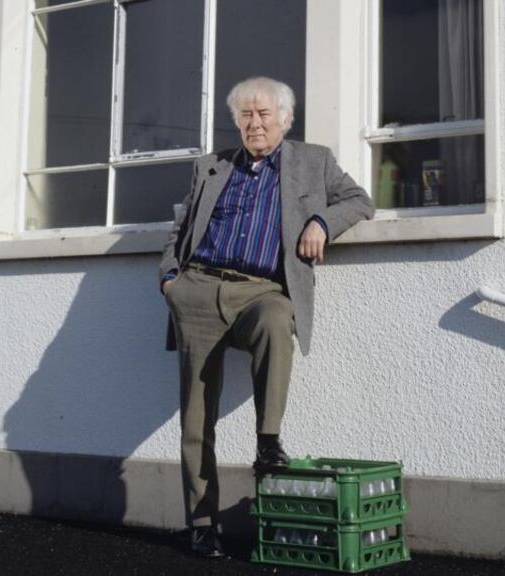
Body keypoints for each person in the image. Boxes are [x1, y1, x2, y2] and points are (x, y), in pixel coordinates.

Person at [159, 77, 373, 557]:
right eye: (246, 116)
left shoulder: (312, 161)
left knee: (279, 318)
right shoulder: (212, 166)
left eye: (264, 115)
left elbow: (360, 200)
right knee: (196, 420)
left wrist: (322, 222)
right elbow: (181, 227)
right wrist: (170, 280)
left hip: (260, 290)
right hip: (197, 289)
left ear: (285, 119)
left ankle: (268, 441)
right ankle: (201, 523)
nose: (255, 124)